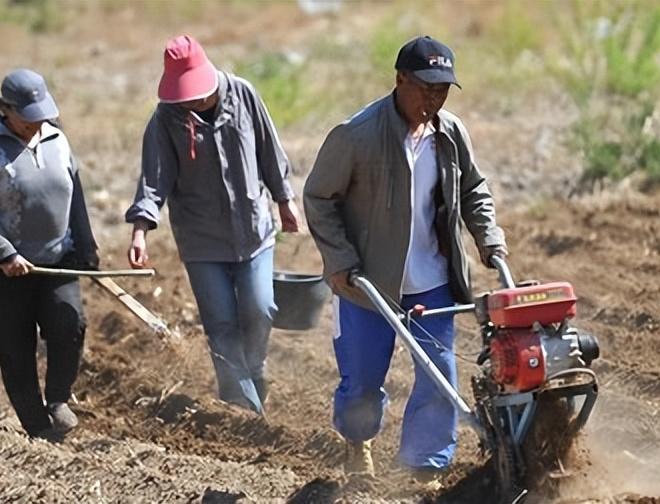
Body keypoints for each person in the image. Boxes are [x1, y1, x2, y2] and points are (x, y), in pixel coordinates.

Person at [303, 36, 507, 478]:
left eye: (442, 90)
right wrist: (339, 259)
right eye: (426, 88)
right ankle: (357, 440)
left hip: (433, 279)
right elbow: (319, 198)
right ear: (400, 80)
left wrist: (488, 237)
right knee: (362, 380)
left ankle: (425, 467)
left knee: (439, 377)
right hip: (368, 282)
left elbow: (473, 188)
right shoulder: (356, 135)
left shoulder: (449, 133)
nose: (433, 99)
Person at [125, 35, 301, 414]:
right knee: (221, 324)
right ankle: (241, 407)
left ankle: (255, 369)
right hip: (201, 241)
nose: (190, 102)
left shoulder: (243, 95)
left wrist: (284, 199)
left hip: (253, 231)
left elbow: (269, 150)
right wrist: (140, 231)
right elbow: (154, 180)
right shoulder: (166, 119)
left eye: (195, 95)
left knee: (260, 308)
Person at [0, 69, 99, 438]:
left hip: (56, 260)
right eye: (27, 117)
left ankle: (58, 398)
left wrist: (85, 243)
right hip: (6, 270)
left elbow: (75, 195)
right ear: (5, 110)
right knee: (16, 348)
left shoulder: (57, 139)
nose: (35, 123)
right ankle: (36, 427)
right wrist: (5, 254)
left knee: (69, 324)